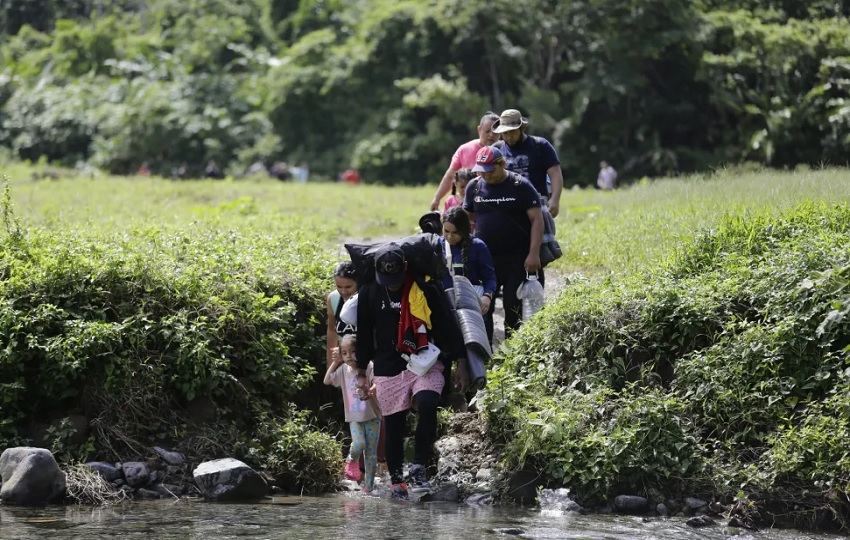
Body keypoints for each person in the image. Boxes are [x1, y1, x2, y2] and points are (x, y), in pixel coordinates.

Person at [355, 244, 469, 499]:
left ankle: (419, 465)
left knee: (428, 403)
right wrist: (361, 371)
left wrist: (461, 360)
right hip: (387, 366)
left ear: (405, 268)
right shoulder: (370, 292)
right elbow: (364, 334)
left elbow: (446, 324)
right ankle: (397, 480)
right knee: (394, 423)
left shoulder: (425, 289)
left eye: (396, 279)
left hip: (424, 360)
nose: (393, 285)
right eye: (387, 280)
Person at [464, 145, 544, 342]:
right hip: (485, 259)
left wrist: (534, 254)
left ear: (502, 164)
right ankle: (486, 353)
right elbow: (464, 221)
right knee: (483, 307)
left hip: (517, 258)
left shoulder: (521, 186)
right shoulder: (474, 187)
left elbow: (537, 220)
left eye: (490, 171)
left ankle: (512, 353)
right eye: (482, 171)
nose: (486, 176)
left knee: (512, 305)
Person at [323, 334, 381, 493]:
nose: (349, 356)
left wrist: (369, 390)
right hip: (354, 418)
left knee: (371, 453)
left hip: (373, 417)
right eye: (345, 353)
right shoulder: (342, 370)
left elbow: (377, 382)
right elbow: (327, 380)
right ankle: (351, 459)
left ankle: (368, 487)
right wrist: (335, 362)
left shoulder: (368, 366)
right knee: (359, 444)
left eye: (353, 351)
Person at [439, 207, 497, 342]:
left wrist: (487, 297)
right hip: (447, 307)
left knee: (477, 347)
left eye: (455, 232)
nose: (449, 236)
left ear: (465, 230)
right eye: (446, 231)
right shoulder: (437, 245)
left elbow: (490, 277)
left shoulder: (478, 246)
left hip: (473, 306)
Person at [491, 109, 564, 218]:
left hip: (537, 205)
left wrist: (555, 199)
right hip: (507, 207)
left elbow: (555, 174)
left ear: (521, 129)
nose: (509, 137)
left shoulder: (540, 146)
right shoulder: (496, 150)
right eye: (505, 133)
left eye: (513, 132)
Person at [429, 112, 500, 211]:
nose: (491, 135)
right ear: (479, 129)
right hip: (467, 205)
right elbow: (450, 176)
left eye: (495, 131)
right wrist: (437, 198)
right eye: (487, 131)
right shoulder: (465, 149)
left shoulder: (505, 151)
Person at [326, 262, 358, 369]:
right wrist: (331, 365)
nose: (344, 292)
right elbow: (332, 330)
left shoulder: (367, 298)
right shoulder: (333, 298)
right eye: (339, 287)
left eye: (348, 287)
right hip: (346, 364)